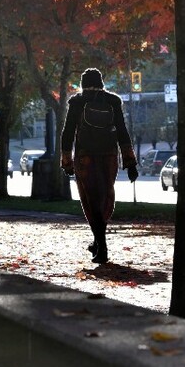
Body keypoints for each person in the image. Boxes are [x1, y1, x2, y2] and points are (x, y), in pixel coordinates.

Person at [61, 68, 138, 264]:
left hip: (84, 157)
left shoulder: (77, 102)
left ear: (83, 84)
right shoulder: (113, 102)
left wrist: (66, 160)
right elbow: (122, 131)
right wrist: (130, 162)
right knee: (105, 196)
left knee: (90, 199)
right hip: (109, 156)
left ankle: (101, 245)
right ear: (102, 83)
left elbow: (68, 132)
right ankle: (98, 242)